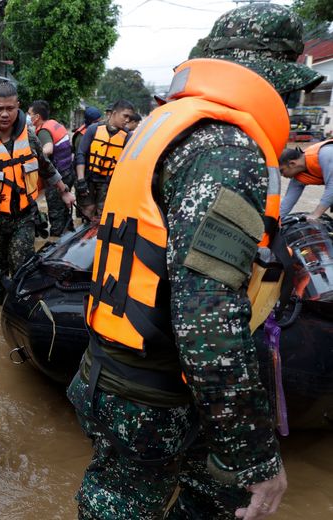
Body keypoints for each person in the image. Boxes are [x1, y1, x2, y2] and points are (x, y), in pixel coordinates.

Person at [67, 4, 324, 519]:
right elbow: (208, 321)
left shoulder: (167, 127)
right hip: (155, 398)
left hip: (113, 372)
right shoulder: (226, 148)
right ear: (275, 78)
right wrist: (255, 458)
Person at [0, 81, 75, 304]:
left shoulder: (30, 137)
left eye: (10, 109)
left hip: (24, 215)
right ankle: (3, 308)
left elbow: (46, 167)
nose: (5, 114)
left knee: (23, 266)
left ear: (18, 106)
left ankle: (23, 307)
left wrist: (64, 193)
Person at [73, 99, 135, 220]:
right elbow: (80, 154)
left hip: (108, 181)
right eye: (125, 116)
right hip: (88, 177)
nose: (127, 120)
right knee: (88, 209)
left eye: (130, 118)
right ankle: (85, 234)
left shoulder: (128, 137)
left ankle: (99, 237)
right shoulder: (93, 129)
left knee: (104, 213)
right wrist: (81, 180)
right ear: (114, 113)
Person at [28, 100, 74, 236]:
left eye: (29, 114)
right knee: (66, 207)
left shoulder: (43, 131)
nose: (28, 117)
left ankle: (57, 239)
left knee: (56, 211)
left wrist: (32, 155)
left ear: (37, 117)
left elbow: (48, 149)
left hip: (57, 176)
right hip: (68, 172)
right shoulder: (54, 124)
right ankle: (69, 234)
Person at [278, 140, 333, 219]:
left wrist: (316, 214)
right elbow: (288, 201)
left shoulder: (325, 154)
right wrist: (274, 222)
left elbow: (332, 187)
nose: (282, 175)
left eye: (281, 171)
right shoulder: (299, 175)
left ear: (292, 164)